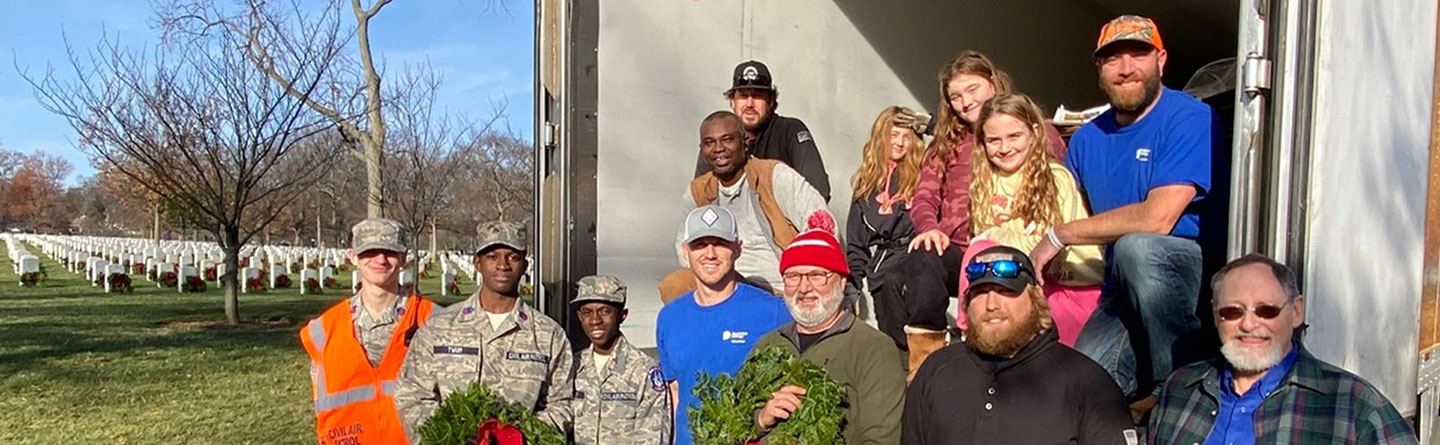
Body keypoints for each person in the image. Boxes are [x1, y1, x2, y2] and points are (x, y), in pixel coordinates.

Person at [1029, 15, 1226, 406]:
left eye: (1139, 54)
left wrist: (1061, 235)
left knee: (1141, 248)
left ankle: (1183, 394)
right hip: (1121, 286)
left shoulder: (1190, 117)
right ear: (1099, 69)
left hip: (1189, 280)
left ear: (1161, 60)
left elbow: (1158, 218)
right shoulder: (1086, 139)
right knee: (1075, 390)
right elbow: (1059, 209)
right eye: (1113, 59)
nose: (1125, 68)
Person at [896, 50, 1068, 377]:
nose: (965, 102)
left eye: (972, 89)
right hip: (959, 248)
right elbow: (925, 194)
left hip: (1016, 243)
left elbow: (1059, 185)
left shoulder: (1034, 129)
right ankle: (924, 365)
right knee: (917, 261)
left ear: (992, 81)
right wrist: (929, 227)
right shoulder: (946, 142)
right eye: (955, 97)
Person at [1147, 254, 1417, 444]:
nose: (1249, 324)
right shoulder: (1181, 389)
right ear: (1216, 316)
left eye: (1266, 310)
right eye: (1232, 311)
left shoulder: (1352, 404)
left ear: (1296, 312)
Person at [901, 245, 1134, 444]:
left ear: (1036, 299)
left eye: (1005, 291)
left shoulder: (1088, 383)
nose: (991, 305)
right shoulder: (936, 371)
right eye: (980, 293)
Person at [394, 221, 572, 441]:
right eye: (492, 256)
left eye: (513, 257)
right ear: (477, 263)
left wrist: (517, 437)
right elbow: (412, 395)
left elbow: (562, 404)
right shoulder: (439, 329)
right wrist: (451, 437)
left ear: (525, 266)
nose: (503, 265)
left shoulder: (548, 335)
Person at [961, 93, 1105, 346]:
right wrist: (1003, 235)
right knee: (980, 252)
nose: (1004, 148)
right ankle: (972, 330)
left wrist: (999, 232)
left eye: (1014, 136)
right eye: (994, 140)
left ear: (1035, 133)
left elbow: (1044, 248)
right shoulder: (984, 181)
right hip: (1021, 284)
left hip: (1073, 283)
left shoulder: (1054, 177)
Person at [754, 216, 907, 444]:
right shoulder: (768, 345)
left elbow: (880, 438)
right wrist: (761, 419)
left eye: (817, 275)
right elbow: (732, 423)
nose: (804, 288)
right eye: (793, 277)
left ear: (842, 281)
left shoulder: (873, 348)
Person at [657, 205, 793, 445]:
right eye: (699, 244)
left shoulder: (774, 311)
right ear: (685, 251)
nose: (710, 253)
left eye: (720, 243)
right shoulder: (669, 317)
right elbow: (676, 393)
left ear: (738, 248)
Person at [659, 111, 827, 302]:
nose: (718, 148)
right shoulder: (698, 191)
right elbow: (684, 245)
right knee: (675, 284)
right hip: (726, 283)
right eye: (709, 142)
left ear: (745, 141)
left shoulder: (775, 176)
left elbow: (822, 225)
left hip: (782, 287)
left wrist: (801, 276)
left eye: (727, 139)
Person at [300, 218, 437, 445]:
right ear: (353, 256)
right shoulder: (323, 330)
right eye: (370, 251)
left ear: (404, 258)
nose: (381, 259)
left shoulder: (435, 321)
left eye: (390, 252)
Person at [845, 106, 930, 349]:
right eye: (894, 135)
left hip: (915, 259)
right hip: (881, 268)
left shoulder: (924, 175)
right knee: (890, 343)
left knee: (917, 337)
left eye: (907, 136)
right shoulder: (866, 182)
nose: (901, 143)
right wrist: (853, 282)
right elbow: (856, 241)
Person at [694, 60, 832, 201]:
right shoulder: (717, 140)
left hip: (782, 220)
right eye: (743, 95)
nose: (749, 104)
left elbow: (818, 191)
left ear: (771, 100)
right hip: (729, 220)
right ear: (732, 101)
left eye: (757, 95)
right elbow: (700, 194)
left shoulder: (790, 131)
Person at [570, 275, 670, 445]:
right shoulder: (572, 367)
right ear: (580, 317)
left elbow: (651, 438)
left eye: (605, 311)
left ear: (622, 316)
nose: (595, 320)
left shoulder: (644, 371)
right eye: (587, 312)